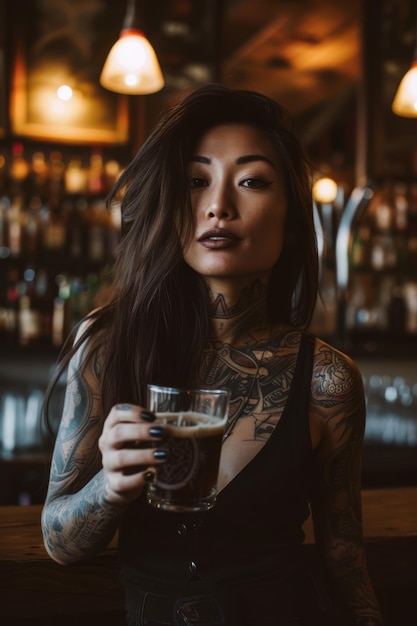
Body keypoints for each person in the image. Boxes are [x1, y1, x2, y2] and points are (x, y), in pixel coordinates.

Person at [41, 83, 384, 626]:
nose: (218, 206)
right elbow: (60, 542)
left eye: (251, 182)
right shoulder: (107, 345)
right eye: (196, 181)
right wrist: (109, 485)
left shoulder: (328, 380)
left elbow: (344, 554)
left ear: (294, 221)